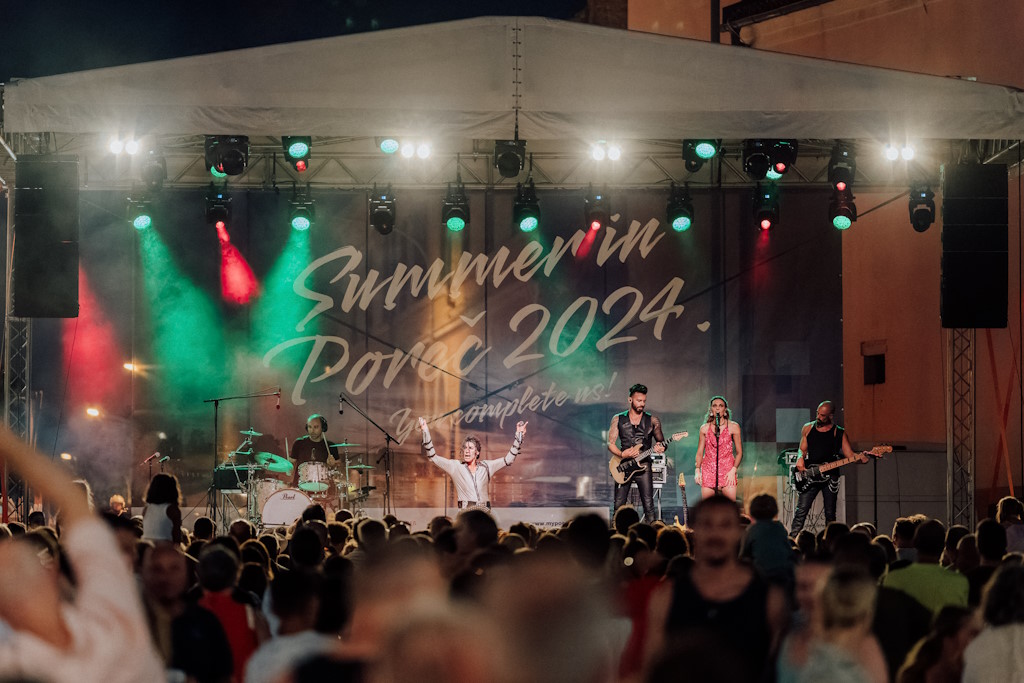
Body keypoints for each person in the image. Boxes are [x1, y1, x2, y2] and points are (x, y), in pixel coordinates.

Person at [0, 425, 167, 681]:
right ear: (52, 574)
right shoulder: (113, 621)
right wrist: (8, 443)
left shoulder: (12, 664)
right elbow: (73, 501)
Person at [646, 495, 788, 682]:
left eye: (725, 525)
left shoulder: (770, 600)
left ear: (739, 531)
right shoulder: (666, 598)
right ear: (694, 530)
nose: (716, 534)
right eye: (707, 524)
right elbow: (651, 667)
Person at [789, 401, 868, 536]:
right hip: (810, 473)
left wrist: (862, 459)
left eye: (822, 415)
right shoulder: (808, 428)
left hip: (830, 476)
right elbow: (802, 450)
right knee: (801, 510)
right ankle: (793, 539)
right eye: (818, 414)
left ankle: (831, 541)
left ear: (830, 416)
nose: (818, 417)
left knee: (830, 513)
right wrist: (800, 460)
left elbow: (850, 455)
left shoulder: (839, 433)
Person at [418, 416, 527, 510]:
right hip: (467, 512)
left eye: (470, 448)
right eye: (465, 448)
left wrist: (518, 437)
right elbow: (433, 457)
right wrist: (425, 431)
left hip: (484, 511)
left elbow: (508, 459)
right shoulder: (455, 467)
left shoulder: (486, 466)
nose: (467, 450)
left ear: (477, 452)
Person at [608, 383, 666, 521]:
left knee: (649, 505)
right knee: (618, 505)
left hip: (644, 466)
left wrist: (660, 447)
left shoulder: (652, 420)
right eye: (639, 401)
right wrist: (622, 454)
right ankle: (615, 536)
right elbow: (610, 444)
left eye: (644, 401)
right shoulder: (618, 419)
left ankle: (652, 536)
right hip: (624, 466)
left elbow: (661, 443)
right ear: (630, 400)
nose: (642, 404)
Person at [695, 396, 742, 501]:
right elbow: (699, 452)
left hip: (727, 470)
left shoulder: (733, 427)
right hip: (708, 469)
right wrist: (697, 470)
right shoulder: (704, 428)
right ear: (711, 409)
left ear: (725, 410)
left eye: (720, 406)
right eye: (714, 406)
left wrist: (733, 470)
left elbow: (739, 452)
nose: (717, 408)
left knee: (730, 507)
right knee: (707, 508)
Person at [288, 414, 337, 490]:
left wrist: (332, 465)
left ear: (323, 428)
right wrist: (288, 467)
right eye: (309, 427)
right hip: (301, 488)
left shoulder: (331, 446)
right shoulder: (299, 443)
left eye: (316, 427)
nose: (312, 431)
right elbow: (291, 462)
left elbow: (337, 468)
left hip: (322, 488)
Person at [142, 472, 183, 544]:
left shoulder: (146, 508)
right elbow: (177, 537)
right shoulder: (172, 509)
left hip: (147, 548)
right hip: (165, 549)